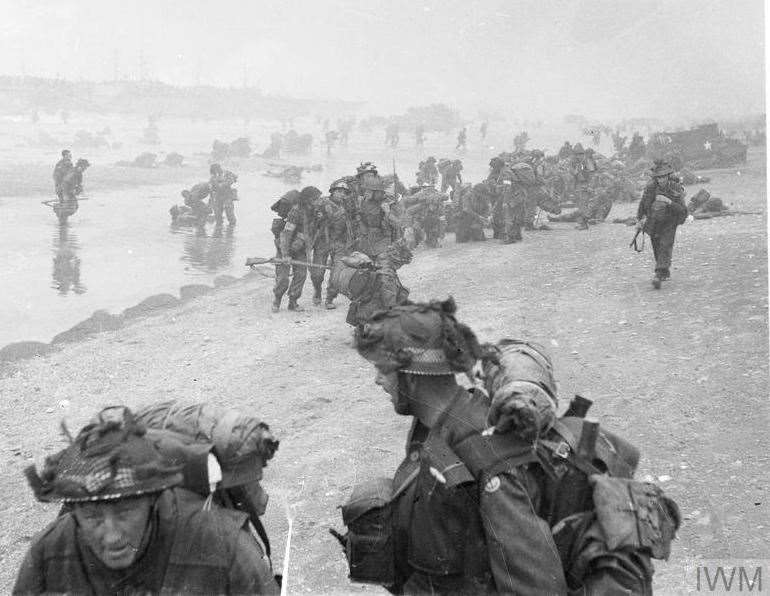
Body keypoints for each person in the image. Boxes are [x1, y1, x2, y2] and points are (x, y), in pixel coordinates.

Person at [336, 298, 679, 595]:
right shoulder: (433, 425)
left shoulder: (490, 457)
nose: (377, 380)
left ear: (412, 375)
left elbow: (536, 587)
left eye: (383, 370)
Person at [14, 407, 278, 594]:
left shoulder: (223, 546)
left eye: (125, 513)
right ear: (74, 511)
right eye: (92, 516)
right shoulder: (48, 554)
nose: (112, 536)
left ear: (153, 501)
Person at [636, 160, 688, 288]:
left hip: (670, 221)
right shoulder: (650, 188)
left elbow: (683, 210)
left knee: (665, 245)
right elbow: (643, 204)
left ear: (668, 176)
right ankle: (664, 270)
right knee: (657, 246)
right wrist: (639, 220)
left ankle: (658, 274)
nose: (661, 179)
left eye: (664, 176)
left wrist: (669, 202)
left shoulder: (675, 187)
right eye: (659, 177)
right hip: (654, 221)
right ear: (656, 178)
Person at [273, 186, 322, 311]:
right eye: (316, 199)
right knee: (283, 278)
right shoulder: (296, 211)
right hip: (285, 247)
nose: (319, 201)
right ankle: (277, 300)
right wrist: (285, 255)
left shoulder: (315, 212)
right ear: (308, 200)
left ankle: (293, 302)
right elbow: (286, 234)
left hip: (301, 248)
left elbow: (312, 232)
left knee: (301, 275)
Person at [310, 181, 353, 309]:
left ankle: (330, 298)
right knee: (317, 274)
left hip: (340, 243)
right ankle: (317, 291)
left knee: (337, 273)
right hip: (322, 242)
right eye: (339, 191)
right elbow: (310, 220)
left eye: (344, 193)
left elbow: (352, 223)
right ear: (332, 191)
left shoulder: (348, 205)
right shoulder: (321, 203)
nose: (341, 194)